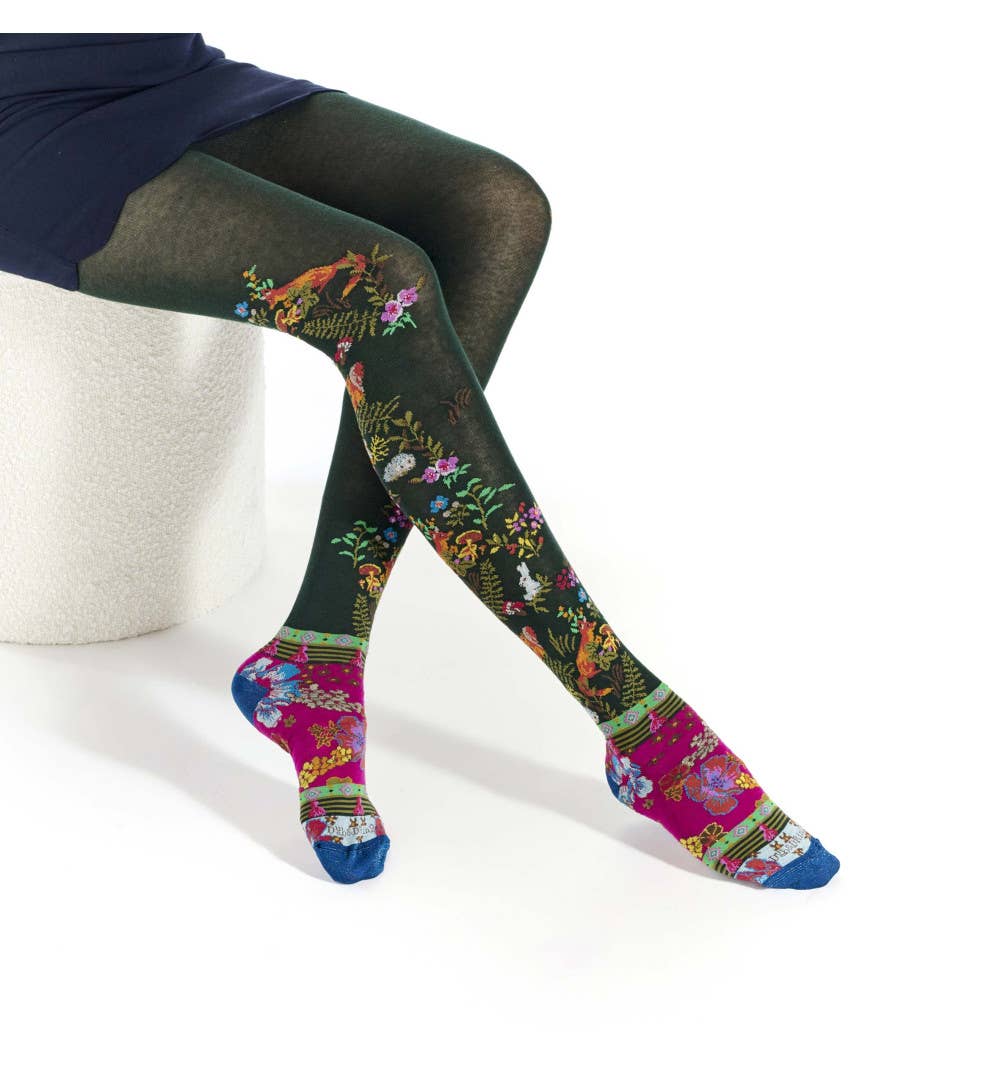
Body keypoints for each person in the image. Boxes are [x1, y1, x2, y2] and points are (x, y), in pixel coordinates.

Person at [0, 33, 839, 888]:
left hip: (148, 64)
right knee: (376, 285)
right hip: (13, 114)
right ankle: (635, 717)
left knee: (495, 208)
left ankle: (322, 644)